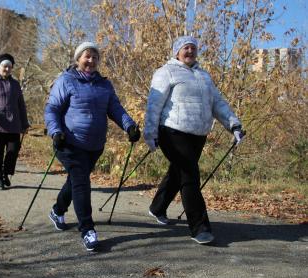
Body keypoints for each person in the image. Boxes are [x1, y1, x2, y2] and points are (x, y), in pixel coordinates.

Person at [143, 36, 244, 245]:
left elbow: (217, 102)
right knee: (190, 175)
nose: (189, 51)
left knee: (178, 172)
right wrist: (150, 133)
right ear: (177, 51)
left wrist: (233, 124)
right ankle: (199, 228)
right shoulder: (166, 72)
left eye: (193, 48)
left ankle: (157, 207)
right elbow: (154, 105)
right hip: (171, 131)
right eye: (185, 48)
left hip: (198, 135)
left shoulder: (203, 76)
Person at [44, 41, 141, 251]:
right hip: (69, 142)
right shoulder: (66, 80)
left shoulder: (104, 84)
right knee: (81, 183)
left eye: (95, 57)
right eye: (87, 56)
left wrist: (129, 126)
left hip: (94, 145)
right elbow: (52, 109)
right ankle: (87, 229)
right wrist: (55, 132)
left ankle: (57, 210)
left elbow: (115, 108)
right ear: (78, 58)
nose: (91, 60)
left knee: (75, 181)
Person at [0, 53, 30, 190]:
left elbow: (21, 105)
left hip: (14, 124)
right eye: (4, 66)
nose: (7, 69)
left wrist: (25, 123)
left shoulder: (15, 84)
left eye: (9, 66)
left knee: (13, 151)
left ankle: (5, 173)